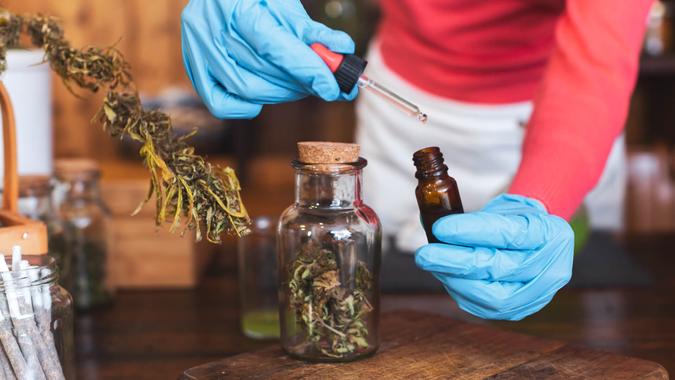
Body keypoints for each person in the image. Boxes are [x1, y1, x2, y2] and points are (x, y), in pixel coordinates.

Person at [180, 0, 653, 320]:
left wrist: (544, 199)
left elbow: (598, 60)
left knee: (583, 311)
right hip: (399, 101)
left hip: (559, 115)